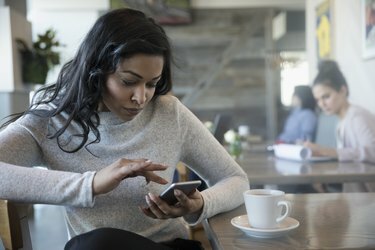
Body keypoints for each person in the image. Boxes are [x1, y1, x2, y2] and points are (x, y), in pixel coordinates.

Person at [0, 8, 249, 249]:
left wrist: (200, 203)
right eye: (128, 81)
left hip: (167, 245)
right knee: (96, 243)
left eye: (152, 84)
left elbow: (237, 180)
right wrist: (91, 183)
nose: (140, 97)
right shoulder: (51, 121)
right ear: (95, 72)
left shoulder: (169, 112)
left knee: (94, 244)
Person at [303, 60, 375, 192]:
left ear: (343, 90)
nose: (322, 104)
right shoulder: (342, 121)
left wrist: (330, 151)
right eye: (318, 99)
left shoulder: (357, 117)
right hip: (354, 197)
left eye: (326, 96)